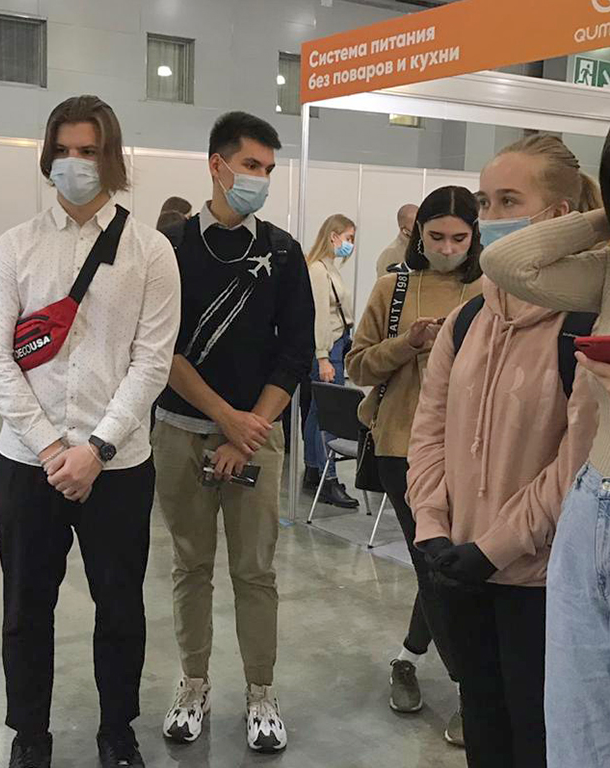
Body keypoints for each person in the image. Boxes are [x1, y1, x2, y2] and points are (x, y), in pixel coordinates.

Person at [0, 94, 180, 768]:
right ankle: (29, 734)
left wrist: (96, 448)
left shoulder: (151, 252)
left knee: (120, 607)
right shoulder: (14, 247)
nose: (74, 163)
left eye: (88, 151)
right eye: (63, 150)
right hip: (25, 462)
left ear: (112, 158)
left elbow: (151, 363)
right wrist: (51, 446)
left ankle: (117, 729)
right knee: (25, 607)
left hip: (117, 468)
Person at [407, 133, 600, 768]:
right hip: (458, 567)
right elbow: (429, 430)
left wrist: (496, 548)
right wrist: (432, 527)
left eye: (509, 201)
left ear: (560, 217)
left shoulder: (584, 325)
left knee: (539, 740)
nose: (489, 217)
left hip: (541, 582)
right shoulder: (468, 320)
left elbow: (576, 463)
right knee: (483, 730)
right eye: (485, 201)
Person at [153, 111, 314, 753]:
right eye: (251, 165)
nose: (261, 179)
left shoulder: (284, 251)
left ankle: (261, 690)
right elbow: (158, 346)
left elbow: (294, 352)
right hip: (180, 432)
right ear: (217, 166)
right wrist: (225, 418)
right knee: (190, 565)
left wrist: (248, 430)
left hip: (257, 434)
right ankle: (193, 683)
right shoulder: (168, 248)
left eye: (269, 169)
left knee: (255, 571)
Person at [479, 132, 610, 768]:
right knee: (573, 731)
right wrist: (603, 217)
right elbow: (509, 263)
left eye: (507, 200)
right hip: (593, 501)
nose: (490, 214)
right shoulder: (605, 266)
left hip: (569, 509)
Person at [347, 186, 483, 745]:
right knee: (433, 565)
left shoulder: (490, 288)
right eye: (436, 237)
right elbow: (357, 365)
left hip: (473, 451)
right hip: (402, 448)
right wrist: (407, 344)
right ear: (417, 234)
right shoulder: (394, 287)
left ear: (474, 236)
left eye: (459, 237)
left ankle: (408, 657)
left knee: (453, 567)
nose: (447, 248)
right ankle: (472, 690)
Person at [302, 214, 358, 508]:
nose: (350, 244)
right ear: (333, 236)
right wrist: (323, 356)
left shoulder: (328, 268)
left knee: (317, 412)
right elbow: (320, 317)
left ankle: (314, 471)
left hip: (336, 344)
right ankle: (329, 478)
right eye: (348, 238)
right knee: (330, 414)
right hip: (328, 348)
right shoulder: (318, 270)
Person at [376, 204, 418, 277]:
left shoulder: (421, 248)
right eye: (415, 225)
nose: (420, 227)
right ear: (403, 229)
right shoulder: (391, 253)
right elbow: (386, 282)